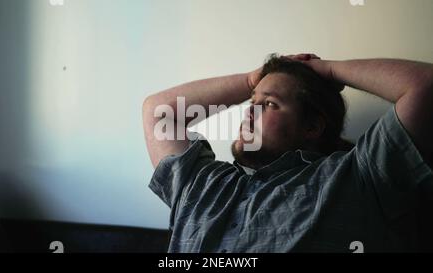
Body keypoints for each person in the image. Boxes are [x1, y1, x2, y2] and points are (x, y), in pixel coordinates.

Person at [142, 53, 433, 252]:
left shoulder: (356, 176)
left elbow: (425, 85)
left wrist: (326, 69)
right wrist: (250, 81)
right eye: (250, 100)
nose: (248, 111)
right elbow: (158, 111)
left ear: (312, 126)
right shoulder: (206, 184)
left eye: (268, 104)